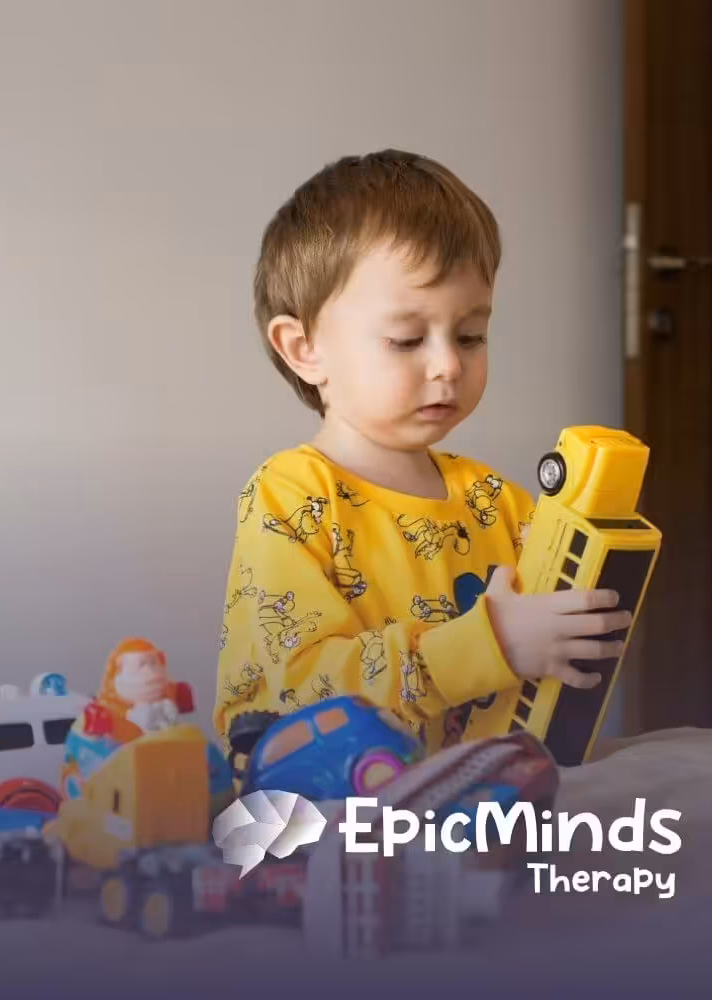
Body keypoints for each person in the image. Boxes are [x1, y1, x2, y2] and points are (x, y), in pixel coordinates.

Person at [214, 149, 630, 753]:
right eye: (406, 339)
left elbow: (568, 642)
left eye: (471, 335)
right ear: (304, 348)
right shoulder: (290, 496)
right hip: (336, 812)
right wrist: (492, 646)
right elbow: (295, 693)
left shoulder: (496, 501)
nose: (449, 364)